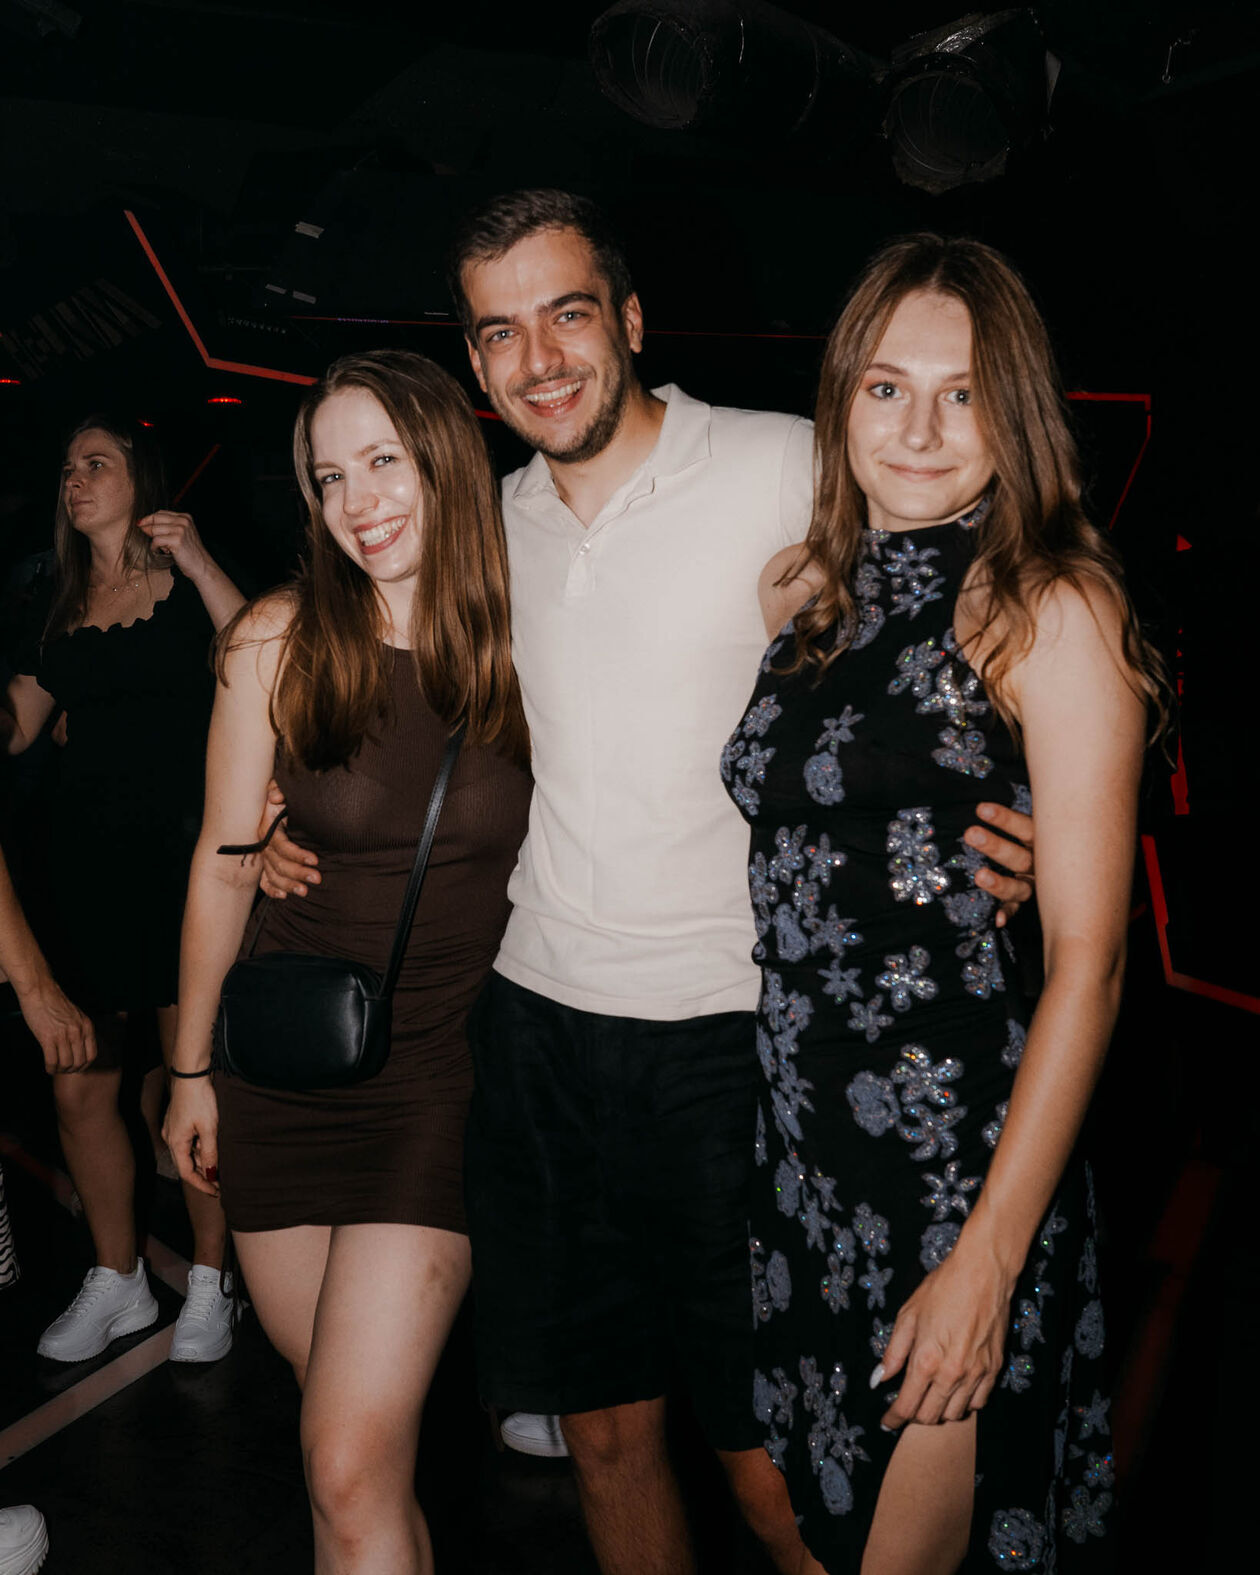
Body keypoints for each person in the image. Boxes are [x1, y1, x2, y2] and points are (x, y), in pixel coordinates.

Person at [260, 191, 1036, 1575]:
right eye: (500, 331)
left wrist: (1028, 808)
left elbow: (985, 579)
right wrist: (270, 814)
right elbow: (364, 656)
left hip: (731, 1034)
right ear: (476, 359)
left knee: (767, 1463)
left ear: (627, 318)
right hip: (537, 1031)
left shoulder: (784, 462)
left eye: (566, 314)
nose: (538, 358)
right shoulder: (482, 521)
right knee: (607, 1437)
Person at [727, 234, 1166, 1573]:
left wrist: (988, 1260)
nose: (918, 429)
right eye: (886, 387)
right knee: (814, 1531)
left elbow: (1090, 964)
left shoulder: (1050, 608)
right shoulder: (802, 591)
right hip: (801, 1152)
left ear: (1013, 411)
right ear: (842, 400)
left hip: (954, 1165)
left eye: (962, 393)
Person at [163, 350, 531, 1574]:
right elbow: (223, 866)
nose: (358, 501)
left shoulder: (537, 633)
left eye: (385, 461)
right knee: (357, 1464)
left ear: (447, 461)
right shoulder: (275, 639)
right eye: (331, 476)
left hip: (437, 1087)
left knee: (343, 1457)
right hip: (281, 1074)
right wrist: (190, 1072)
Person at [1, 414, 243, 1364]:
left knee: (196, 1080)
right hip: (85, 871)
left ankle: (214, 1279)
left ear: (142, 478)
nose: (75, 478)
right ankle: (120, 1277)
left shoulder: (187, 583)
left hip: (189, 869)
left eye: (96, 463)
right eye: (67, 467)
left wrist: (202, 561)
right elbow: (20, 725)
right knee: (79, 1087)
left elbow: (263, 656)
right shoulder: (56, 602)